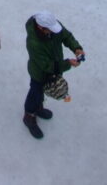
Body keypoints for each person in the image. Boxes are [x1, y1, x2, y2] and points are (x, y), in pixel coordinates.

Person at [22, 10, 84, 139]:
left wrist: (76, 48)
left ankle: (38, 108)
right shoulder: (34, 43)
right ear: (40, 27)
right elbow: (47, 66)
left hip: (53, 70)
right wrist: (68, 63)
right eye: (50, 29)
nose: (54, 31)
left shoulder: (54, 27)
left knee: (40, 93)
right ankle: (29, 116)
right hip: (39, 73)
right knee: (35, 92)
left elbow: (66, 36)